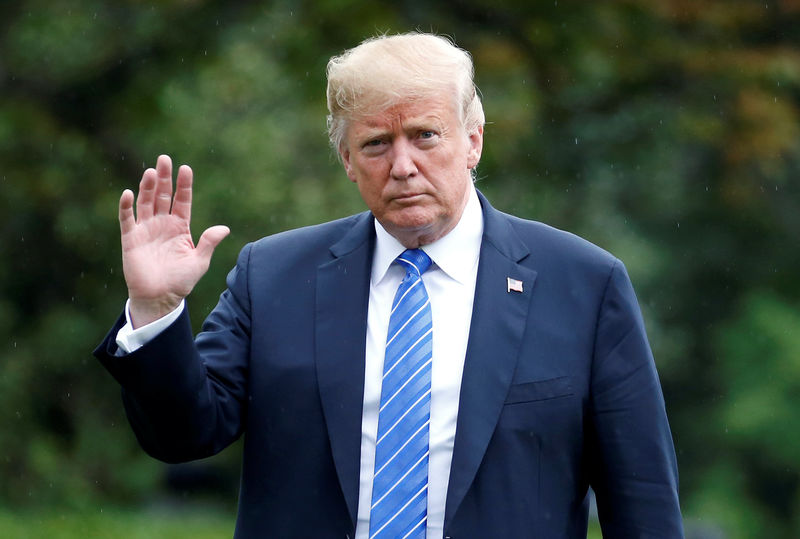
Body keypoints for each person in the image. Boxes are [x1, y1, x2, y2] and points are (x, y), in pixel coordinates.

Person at [95, 33, 683, 538]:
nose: (402, 165)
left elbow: (642, 498)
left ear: (473, 140)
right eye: (376, 143)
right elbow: (182, 436)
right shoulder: (272, 277)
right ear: (348, 159)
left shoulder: (583, 284)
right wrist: (155, 308)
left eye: (425, 135)